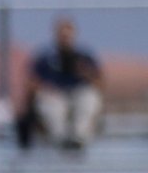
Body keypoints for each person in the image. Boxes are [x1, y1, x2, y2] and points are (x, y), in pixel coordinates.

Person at [25, 17, 101, 149]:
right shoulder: (46, 57)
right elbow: (31, 82)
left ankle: (79, 138)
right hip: (55, 94)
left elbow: (99, 83)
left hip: (77, 93)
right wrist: (46, 87)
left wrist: (84, 72)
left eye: (68, 36)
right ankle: (60, 139)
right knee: (49, 101)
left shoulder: (83, 56)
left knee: (89, 98)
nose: (65, 39)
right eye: (62, 35)